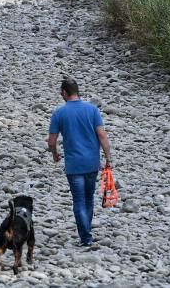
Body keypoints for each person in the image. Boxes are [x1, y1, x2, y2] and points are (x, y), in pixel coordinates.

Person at [47, 79, 113, 246]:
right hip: (92, 163)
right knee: (89, 199)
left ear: (64, 93)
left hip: (73, 164)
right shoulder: (92, 110)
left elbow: (52, 141)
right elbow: (102, 135)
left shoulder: (59, 113)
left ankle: (86, 237)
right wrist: (108, 157)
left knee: (78, 200)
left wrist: (55, 155)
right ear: (77, 91)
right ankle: (87, 232)